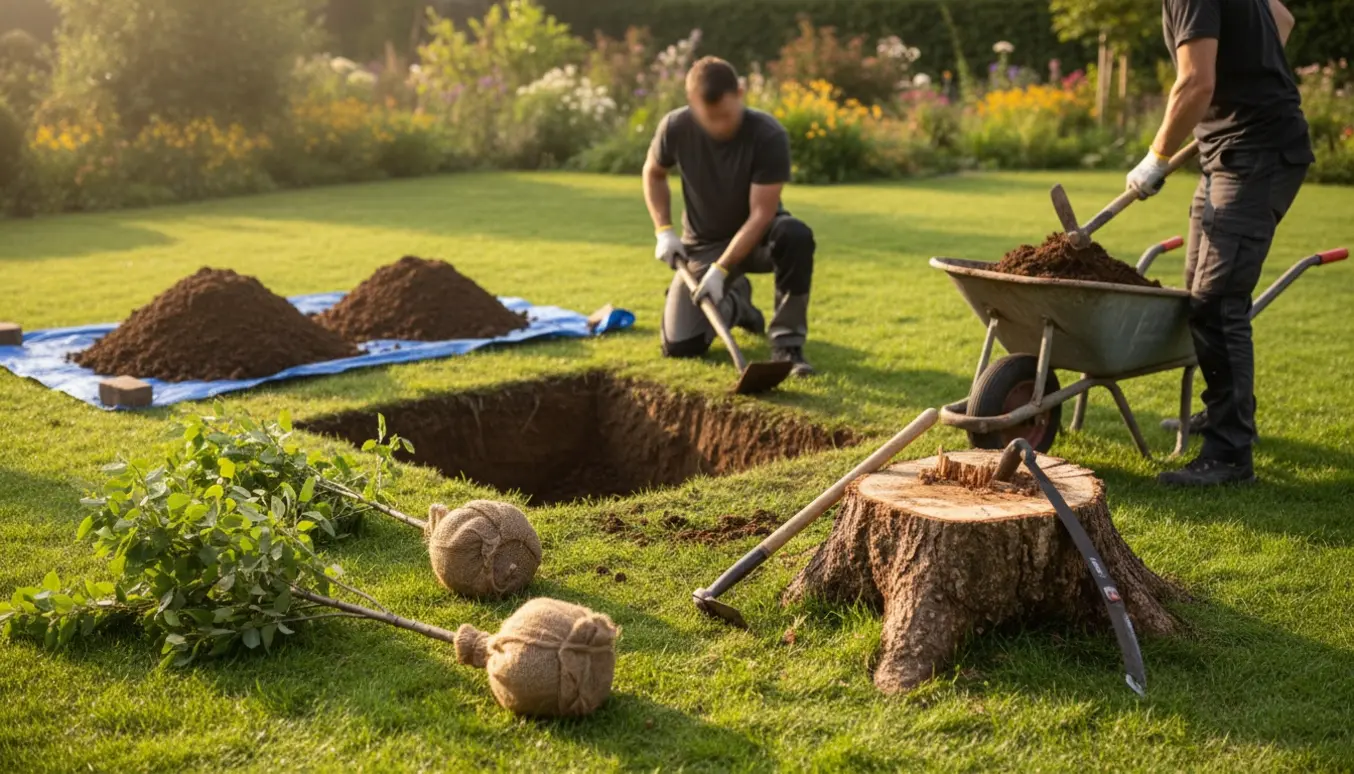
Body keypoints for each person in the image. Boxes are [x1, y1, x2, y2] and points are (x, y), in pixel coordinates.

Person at [1127, 0, 1311, 487]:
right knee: (1201, 291)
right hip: (1231, 152)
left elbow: (1195, 82)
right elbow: (1283, 19)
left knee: (1218, 298)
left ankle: (1229, 454)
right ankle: (1223, 418)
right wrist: (1249, 67)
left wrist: (1157, 156)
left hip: (1256, 152)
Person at [643, 56, 817, 376]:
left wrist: (721, 269)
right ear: (691, 102)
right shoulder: (675, 127)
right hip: (703, 244)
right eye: (710, 117)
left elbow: (762, 213)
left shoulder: (768, 134)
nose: (720, 125)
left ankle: (787, 346)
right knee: (681, 345)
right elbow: (653, 173)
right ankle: (739, 305)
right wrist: (664, 231)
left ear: (741, 92)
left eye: (726, 115)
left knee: (795, 235)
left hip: (760, 239)